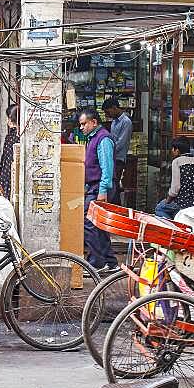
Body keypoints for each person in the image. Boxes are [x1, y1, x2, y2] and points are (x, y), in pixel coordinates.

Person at [79, 108, 117, 273]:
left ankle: (97, 263)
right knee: (99, 226)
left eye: (83, 124)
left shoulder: (103, 139)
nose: (81, 128)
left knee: (89, 223)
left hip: (100, 189)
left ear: (94, 122)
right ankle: (110, 262)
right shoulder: (93, 138)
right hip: (93, 188)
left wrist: (102, 191)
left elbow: (106, 168)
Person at [155, 139, 194, 220]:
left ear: (177, 150)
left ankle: (172, 226)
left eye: (173, 149)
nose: (172, 151)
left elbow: (175, 188)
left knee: (159, 208)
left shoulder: (177, 161)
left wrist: (167, 200)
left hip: (180, 202)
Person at [102, 97, 132, 206]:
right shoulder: (114, 121)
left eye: (108, 111)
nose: (107, 115)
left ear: (114, 108)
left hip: (118, 159)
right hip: (112, 157)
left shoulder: (126, 122)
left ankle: (116, 208)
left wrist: (108, 150)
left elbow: (121, 143)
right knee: (112, 185)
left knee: (114, 185)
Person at [0, 104, 19, 202]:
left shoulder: (12, 137)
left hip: (9, 176)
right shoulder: (19, 135)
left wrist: (1, 180)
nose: (7, 121)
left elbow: (7, 160)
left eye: (8, 118)